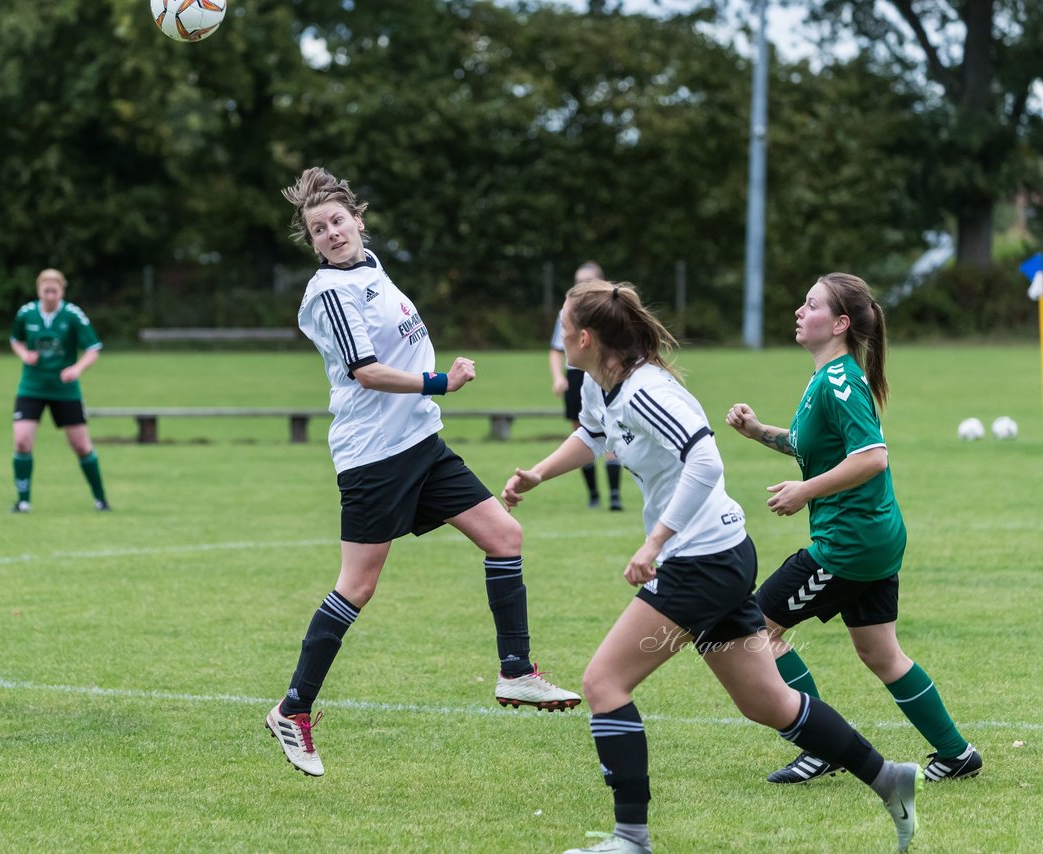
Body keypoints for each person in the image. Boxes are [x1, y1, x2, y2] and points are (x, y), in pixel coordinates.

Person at [503, 280, 921, 854]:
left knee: (604, 682)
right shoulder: (605, 386)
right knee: (767, 703)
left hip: (703, 561)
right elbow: (593, 435)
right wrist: (538, 473)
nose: (559, 336)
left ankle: (631, 839)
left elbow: (705, 458)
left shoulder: (649, 390)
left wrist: (656, 541)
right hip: (716, 556)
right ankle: (888, 777)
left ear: (585, 337)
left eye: (563, 326)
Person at [264, 167, 580, 778]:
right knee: (356, 586)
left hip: (420, 441)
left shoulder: (371, 267)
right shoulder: (330, 290)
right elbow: (366, 371)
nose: (330, 233)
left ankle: (516, 672)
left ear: (358, 219)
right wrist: (441, 381)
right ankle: (292, 710)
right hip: (374, 457)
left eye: (337, 220)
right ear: (312, 240)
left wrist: (432, 386)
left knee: (504, 536)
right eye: (317, 229)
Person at [725, 272, 980, 785]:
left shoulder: (840, 381)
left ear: (839, 323)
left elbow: (872, 458)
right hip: (874, 538)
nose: (799, 310)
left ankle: (819, 746)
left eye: (811, 304)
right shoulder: (828, 378)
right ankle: (958, 755)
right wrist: (758, 432)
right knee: (880, 652)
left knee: (757, 628)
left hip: (848, 544)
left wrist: (805, 491)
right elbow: (812, 444)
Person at [8, 268, 110, 513]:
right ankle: (23, 501)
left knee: (81, 446)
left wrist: (77, 369)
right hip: (32, 387)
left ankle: (100, 499)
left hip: (65, 390)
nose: (50, 295)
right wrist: (25, 355)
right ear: (39, 291)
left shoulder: (73, 316)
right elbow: (16, 340)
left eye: (54, 291)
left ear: (62, 291)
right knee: (22, 441)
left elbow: (93, 348)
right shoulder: (27, 314)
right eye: (46, 291)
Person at [550, 262, 622, 510]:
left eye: (587, 281)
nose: (581, 286)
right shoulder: (568, 314)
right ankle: (593, 495)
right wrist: (558, 377)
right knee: (581, 432)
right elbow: (556, 350)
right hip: (577, 376)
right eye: (578, 281)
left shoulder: (611, 314)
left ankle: (615, 496)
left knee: (612, 431)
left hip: (603, 375)